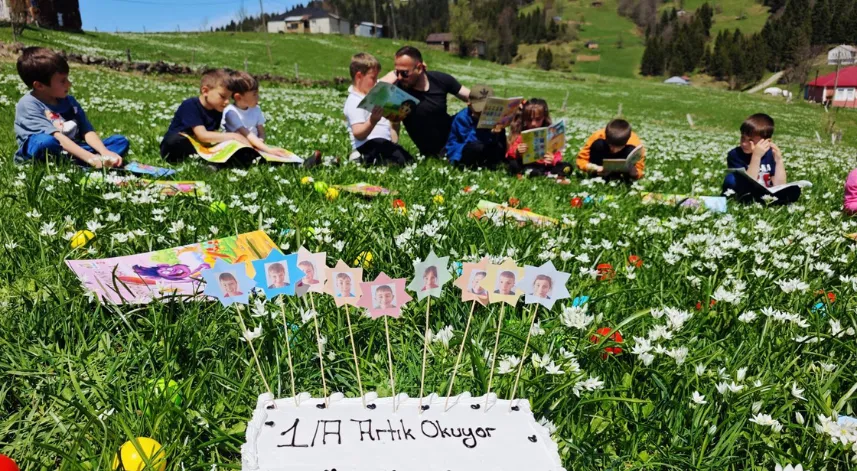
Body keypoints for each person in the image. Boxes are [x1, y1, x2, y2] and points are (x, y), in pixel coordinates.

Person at [14, 47, 129, 167]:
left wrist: (105, 152)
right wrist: (91, 158)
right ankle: (83, 162)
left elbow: (87, 131)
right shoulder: (28, 104)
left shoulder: (70, 101)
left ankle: (78, 162)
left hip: (74, 148)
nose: (69, 84)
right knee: (45, 143)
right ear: (39, 85)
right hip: (45, 149)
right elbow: (57, 137)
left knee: (120, 141)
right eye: (63, 81)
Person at [380, 46, 470, 157]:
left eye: (404, 73)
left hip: (454, 134)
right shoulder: (400, 91)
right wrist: (393, 150)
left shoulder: (440, 79)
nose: (399, 77)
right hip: (436, 149)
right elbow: (394, 125)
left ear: (419, 68)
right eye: (396, 72)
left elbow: (470, 96)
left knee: (470, 113)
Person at [160, 68, 250, 162]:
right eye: (223, 96)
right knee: (175, 140)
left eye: (229, 98)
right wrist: (234, 136)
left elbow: (210, 137)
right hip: (175, 147)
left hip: (200, 147)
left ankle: (212, 164)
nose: (227, 102)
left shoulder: (217, 109)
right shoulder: (190, 105)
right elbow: (202, 135)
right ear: (205, 91)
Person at [344, 53, 413, 166]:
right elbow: (358, 134)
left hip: (383, 144)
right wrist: (372, 121)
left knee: (407, 159)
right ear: (359, 76)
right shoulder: (354, 101)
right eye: (373, 78)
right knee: (392, 157)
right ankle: (357, 157)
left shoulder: (373, 93)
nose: (376, 82)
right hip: (367, 146)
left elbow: (389, 78)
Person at [222, 71, 291, 159]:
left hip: (255, 146)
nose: (258, 97)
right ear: (238, 97)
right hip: (235, 147)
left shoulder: (256, 110)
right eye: (254, 94)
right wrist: (268, 150)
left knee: (279, 154)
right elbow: (247, 134)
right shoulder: (231, 112)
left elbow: (261, 132)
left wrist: (260, 140)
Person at [722, 113, 787, 198]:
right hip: (746, 191)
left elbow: (780, 185)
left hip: (765, 193)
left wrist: (779, 161)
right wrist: (756, 157)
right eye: (743, 138)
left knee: (794, 191)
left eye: (751, 140)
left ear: (766, 142)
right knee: (730, 179)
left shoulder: (770, 154)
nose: (744, 144)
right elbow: (748, 184)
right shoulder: (735, 154)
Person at [445, 84, 506, 168]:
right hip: (461, 151)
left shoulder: (490, 116)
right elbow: (468, 142)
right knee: (476, 146)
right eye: (479, 109)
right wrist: (478, 125)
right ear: (469, 103)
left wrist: (495, 133)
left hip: (484, 145)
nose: (482, 111)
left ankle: (497, 161)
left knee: (501, 134)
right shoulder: (462, 118)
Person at [506, 99, 569, 177]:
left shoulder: (550, 133)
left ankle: (548, 174)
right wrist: (517, 151)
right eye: (529, 120)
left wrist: (553, 159)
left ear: (544, 118)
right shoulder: (523, 134)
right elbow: (509, 153)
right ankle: (538, 173)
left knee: (566, 166)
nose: (533, 123)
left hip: (546, 165)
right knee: (513, 164)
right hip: (528, 165)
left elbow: (557, 153)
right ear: (524, 119)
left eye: (538, 119)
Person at [576, 119, 645, 180]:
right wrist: (594, 168)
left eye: (619, 147)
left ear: (627, 140)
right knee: (598, 144)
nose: (614, 150)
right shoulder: (598, 135)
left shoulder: (635, 142)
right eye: (610, 145)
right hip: (598, 168)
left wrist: (635, 174)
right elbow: (581, 160)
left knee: (631, 149)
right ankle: (597, 176)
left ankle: (621, 178)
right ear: (605, 136)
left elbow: (640, 169)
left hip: (622, 173)